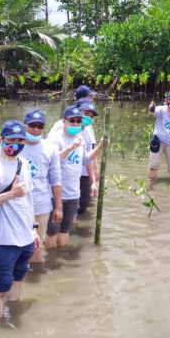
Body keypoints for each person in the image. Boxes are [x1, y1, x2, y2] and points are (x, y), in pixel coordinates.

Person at [0, 120, 40, 318]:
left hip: (25, 235)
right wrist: (10, 195)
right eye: (11, 140)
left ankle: (14, 317)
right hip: (6, 238)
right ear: (1, 140)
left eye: (20, 140)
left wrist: (34, 228)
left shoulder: (23, 163)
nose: (16, 144)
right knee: (1, 287)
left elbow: (29, 197)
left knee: (17, 279)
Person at [45, 106, 103, 248]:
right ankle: (51, 263)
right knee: (52, 231)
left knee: (65, 230)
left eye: (78, 121)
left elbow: (85, 160)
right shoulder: (55, 139)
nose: (76, 124)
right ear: (64, 121)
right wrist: (71, 147)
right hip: (56, 194)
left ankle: (62, 258)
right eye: (72, 121)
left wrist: (100, 147)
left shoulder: (80, 139)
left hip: (73, 193)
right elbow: (51, 161)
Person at [19, 110, 62, 262]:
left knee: (37, 246)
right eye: (32, 125)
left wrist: (58, 207)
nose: (36, 130)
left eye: (40, 126)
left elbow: (55, 179)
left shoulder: (50, 148)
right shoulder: (13, 144)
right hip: (16, 205)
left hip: (41, 205)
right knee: (17, 246)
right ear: (24, 125)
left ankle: (34, 276)